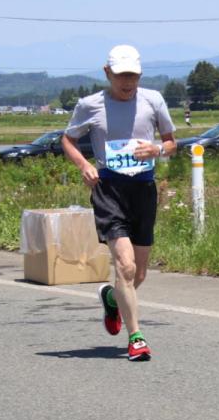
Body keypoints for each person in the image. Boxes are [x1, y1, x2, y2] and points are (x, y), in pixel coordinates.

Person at [62, 45, 177, 362]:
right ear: (107, 73)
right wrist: (84, 165)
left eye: (133, 75)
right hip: (109, 189)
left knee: (138, 274)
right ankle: (136, 338)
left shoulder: (153, 100)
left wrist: (157, 150)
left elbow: (171, 142)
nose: (128, 82)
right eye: (122, 75)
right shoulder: (91, 105)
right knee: (124, 266)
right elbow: (68, 139)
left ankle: (113, 299)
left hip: (143, 190)